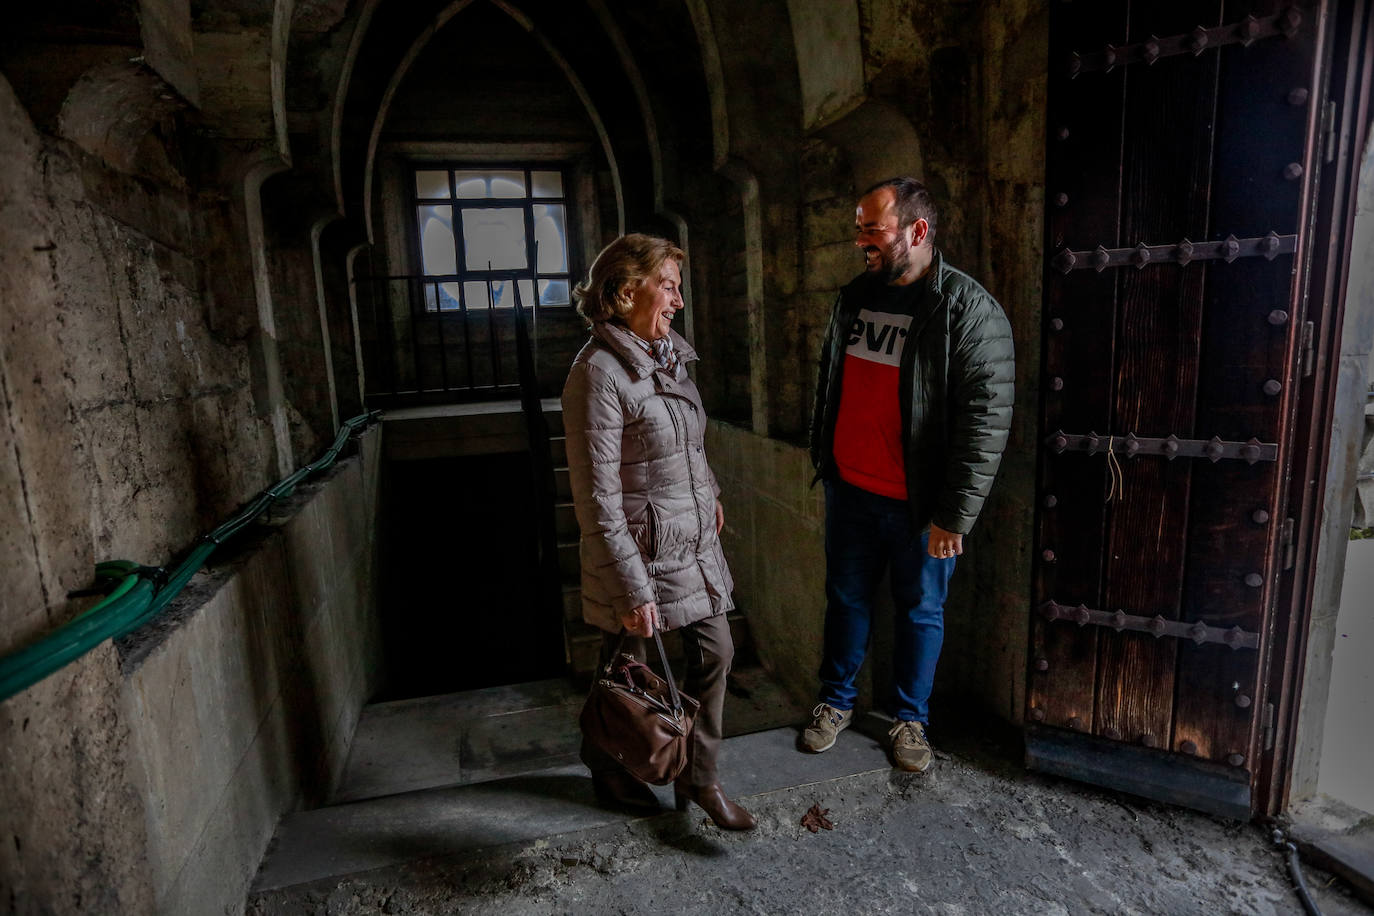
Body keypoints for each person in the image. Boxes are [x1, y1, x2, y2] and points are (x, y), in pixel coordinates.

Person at [803, 177, 1014, 772]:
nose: (861, 240)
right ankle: (834, 702)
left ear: (917, 231)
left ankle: (910, 720)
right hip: (851, 489)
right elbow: (831, 383)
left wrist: (954, 514)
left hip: (921, 507)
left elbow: (987, 421)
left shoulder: (967, 310)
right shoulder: (855, 297)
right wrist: (828, 459)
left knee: (920, 610)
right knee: (845, 599)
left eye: (873, 227)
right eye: (859, 227)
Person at [562, 233, 755, 830]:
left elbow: (684, 442)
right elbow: (597, 498)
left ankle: (699, 780)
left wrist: (712, 492)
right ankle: (608, 763)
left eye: (677, 286)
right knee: (625, 670)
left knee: (716, 649)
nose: (676, 299)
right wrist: (630, 589)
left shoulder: (666, 353)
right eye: (666, 285)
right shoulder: (598, 374)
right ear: (625, 292)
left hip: (688, 539)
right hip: (639, 554)